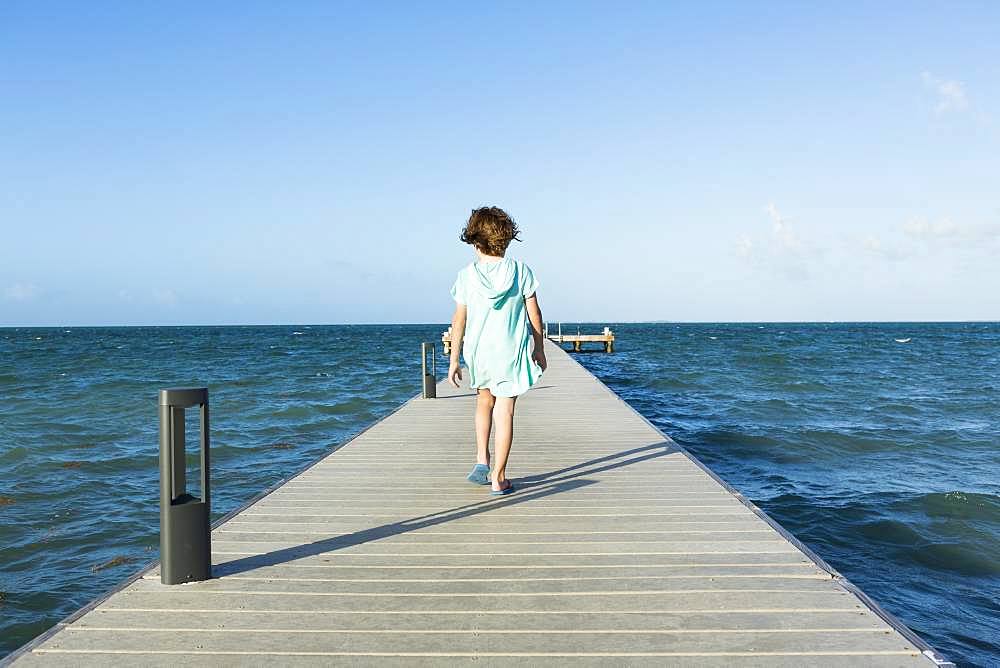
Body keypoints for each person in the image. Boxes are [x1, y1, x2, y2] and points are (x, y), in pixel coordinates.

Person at [448, 206, 547, 495]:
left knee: (483, 403)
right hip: (510, 353)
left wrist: (454, 359)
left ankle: (482, 459)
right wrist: (539, 349)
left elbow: (459, 321)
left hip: (480, 352)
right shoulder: (520, 271)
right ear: (506, 239)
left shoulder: (467, 276)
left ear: (474, 241)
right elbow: (535, 315)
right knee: (505, 411)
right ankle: (499, 477)